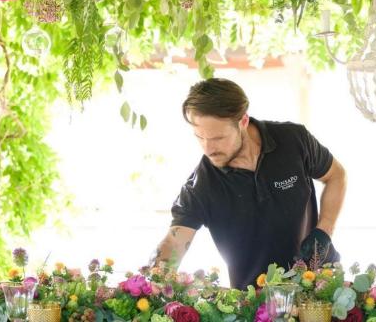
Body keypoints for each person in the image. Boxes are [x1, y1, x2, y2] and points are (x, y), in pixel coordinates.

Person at [149, 78, 347, 290]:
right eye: (200, 137)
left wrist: (324, 230)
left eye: (218, 138)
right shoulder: (202, 185)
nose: (208, 148)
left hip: (321, 285)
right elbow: (174, 242)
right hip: (258, 304)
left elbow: (336, 176)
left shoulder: (294, 140)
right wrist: (154, 276)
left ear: (243, 121)